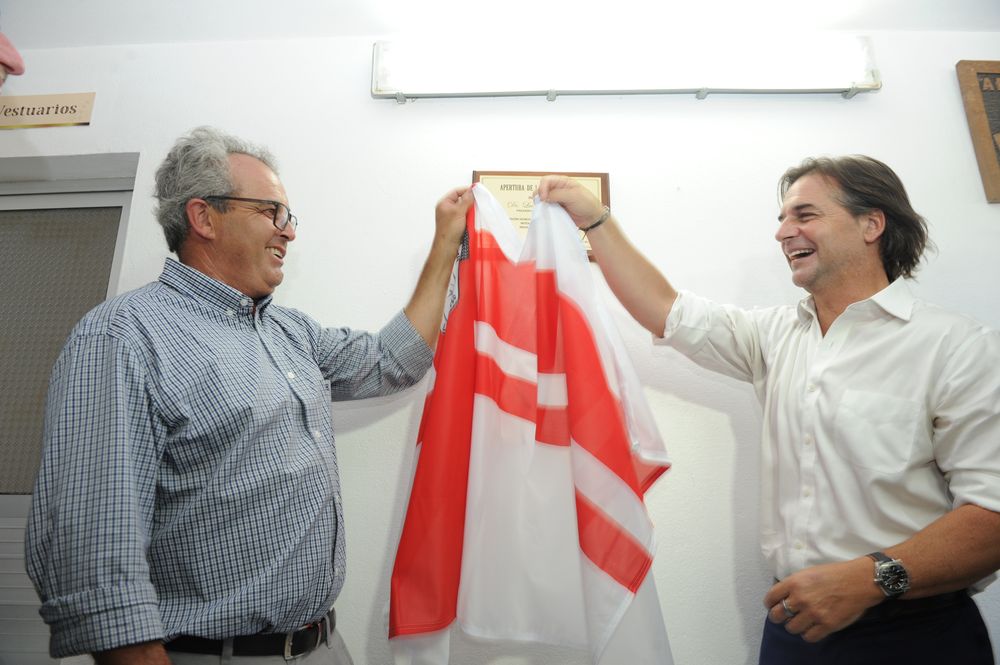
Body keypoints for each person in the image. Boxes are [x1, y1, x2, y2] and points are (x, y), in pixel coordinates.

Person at [25, 126, 471, 665]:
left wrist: (446, 242)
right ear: (203, 217)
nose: (288, 232)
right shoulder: (121, 338)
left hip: (323, 646)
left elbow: (391, 362)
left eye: (288, 217)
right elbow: (91, 542)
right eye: (271, 212)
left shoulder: (289, 333)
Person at [535, 155, 1000, 665]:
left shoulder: (958, 346)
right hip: (795, 625)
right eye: (782, 219)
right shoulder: (776, 335)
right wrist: (596, 220)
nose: (783, 232)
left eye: (804, 214)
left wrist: (869, 579)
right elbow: (666, 310)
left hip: (915, 632)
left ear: (871, 224)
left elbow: (992, 515)